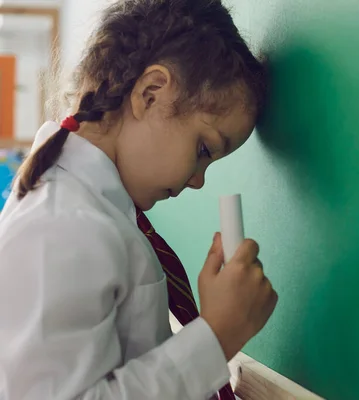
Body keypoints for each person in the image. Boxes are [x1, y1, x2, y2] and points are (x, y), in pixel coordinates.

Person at [0, 0, 278, 399]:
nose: (198, 182)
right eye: (203, 149)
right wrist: (217, 336)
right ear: (151, 93)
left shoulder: (93, 215)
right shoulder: (63, 226)